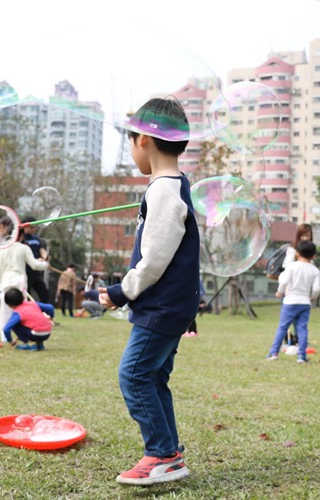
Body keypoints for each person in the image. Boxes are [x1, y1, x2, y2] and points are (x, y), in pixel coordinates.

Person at [98, 97, 198, 486]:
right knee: (153, 378)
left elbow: (154, 261)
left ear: (143, 140)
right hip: (172, 306)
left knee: (134, 375)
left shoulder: (164, 192)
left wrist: (120, 291)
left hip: (161, 306)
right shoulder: (171, 186)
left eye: (130, 142)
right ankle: (169, 452)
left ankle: (161, 454)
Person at [266, 240, 320, 363]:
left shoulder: (291, 266)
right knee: (302, 329)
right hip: (304, 303)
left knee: (282, 327)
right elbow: (317, 289)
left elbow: (284, 281)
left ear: (297, 254)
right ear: (313, 256)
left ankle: (273, 353)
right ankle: (301, 356)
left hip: (290, 301)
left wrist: (279, 292)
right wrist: (312, 297)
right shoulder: (315, 270)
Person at [0, 228, 50, 342]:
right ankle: (22, 336)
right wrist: (45, 264)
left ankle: (4, 337)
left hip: (6, 281)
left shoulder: (3, 249)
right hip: (19, 282)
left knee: (5, 311)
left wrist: (2, 282)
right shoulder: (24, 248)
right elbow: (35, 265)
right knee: (22, 311)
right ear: (21, 235)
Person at [282, 223, 313, 345]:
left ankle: (300, 340)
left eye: (308, 236)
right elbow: (286, 266)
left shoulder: (310, 251)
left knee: (301, 319)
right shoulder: (292, 250)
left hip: (303, 291)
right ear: (298, 236)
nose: (306, 239)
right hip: (290, 289)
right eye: (303, 236)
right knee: (287, 319)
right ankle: (287, 340)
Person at [21, 217, 50, 304]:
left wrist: (46, 257)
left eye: (34, 227)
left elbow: (41, 250)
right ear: (25, 227)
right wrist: (35, 260)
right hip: (25, 271)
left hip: (36, 271)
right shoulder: (21, 239)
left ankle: (46, 312)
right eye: (31, 227)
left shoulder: (36, 238)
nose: (33, 229)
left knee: (44, 293)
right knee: (27, 294)